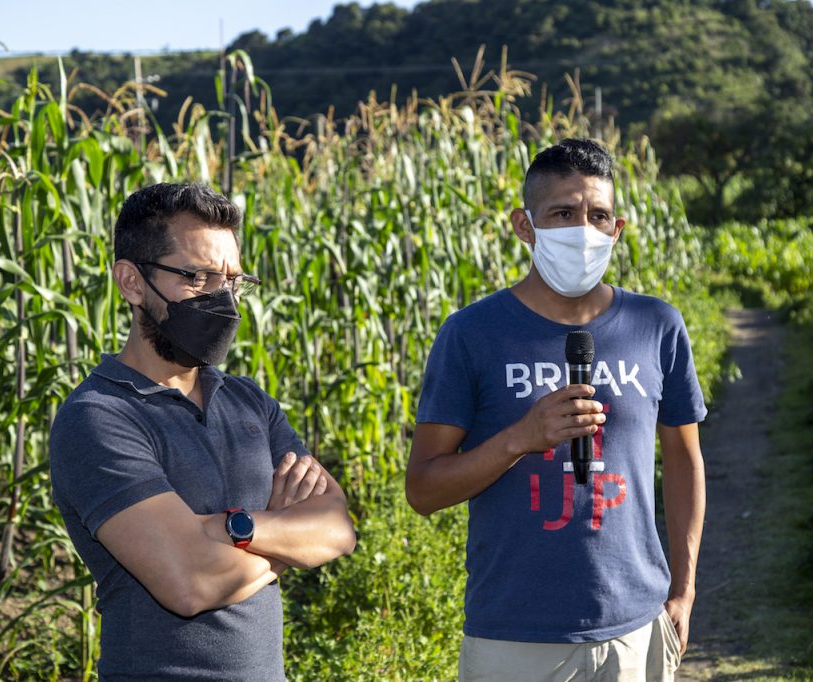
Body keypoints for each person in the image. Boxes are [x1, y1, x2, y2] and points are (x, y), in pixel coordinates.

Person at [406, 139, 706, 681]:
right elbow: (423, 490)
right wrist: (520, 437)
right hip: (515, 635)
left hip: (637, 627)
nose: (583, 230)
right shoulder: (472, 334)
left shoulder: (657, 326)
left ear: (617, 230)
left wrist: (682, 591)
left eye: (599, 216)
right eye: (563, 213)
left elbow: (684, 460)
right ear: (525, 225)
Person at [50, 183, 356, 681]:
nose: (223, 299)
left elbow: (337, 529)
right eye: (198, 277)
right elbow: (188, 583)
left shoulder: (249, 402)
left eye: (233, 282)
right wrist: (286, 540)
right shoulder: (99, 417)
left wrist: (233, 528)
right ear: (131, 282)